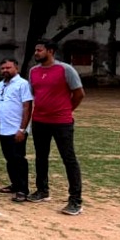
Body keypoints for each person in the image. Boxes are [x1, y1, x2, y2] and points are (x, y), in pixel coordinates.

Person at [27, 40, 86, 215]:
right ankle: (42, 191)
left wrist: (66, 110)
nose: (36, 53)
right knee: (41, 157)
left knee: (69, 159)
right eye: (35, 50)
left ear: (50, 51)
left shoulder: (66, 70)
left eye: (39, 50)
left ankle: (75, 200)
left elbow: (79, 94)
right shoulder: (33, 71)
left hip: (62, 122)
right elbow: (34, 94)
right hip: (39, 120)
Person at [0, 58, 33, 203]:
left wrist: (22, 129)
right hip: (4, 129)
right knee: (9, 159)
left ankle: (23, 190)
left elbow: (27, 107)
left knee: (19, 159)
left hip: (17, 130)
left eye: (8, 68)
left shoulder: (23, 84)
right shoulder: (1, 84)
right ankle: (15, 184)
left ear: (16, 68)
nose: (5, 70)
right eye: (2, 68)